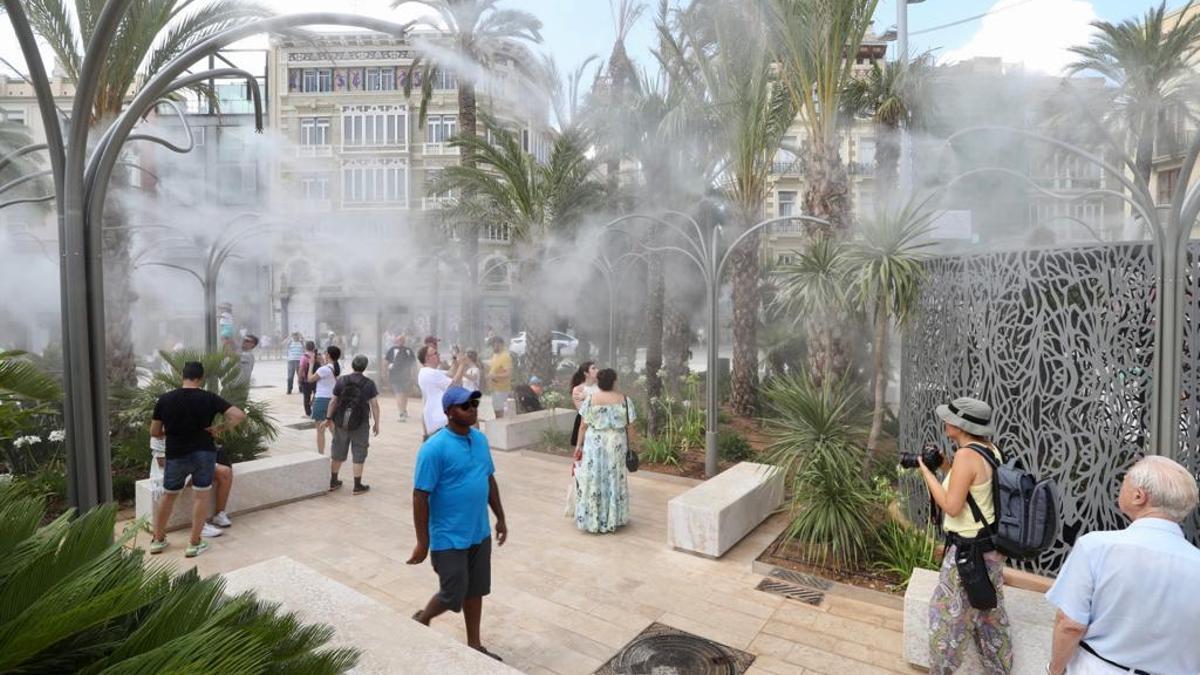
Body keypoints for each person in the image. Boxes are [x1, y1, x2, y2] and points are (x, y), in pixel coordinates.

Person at [1044, 456, 1200, 675]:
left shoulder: (1096, 547)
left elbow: (1070, 624)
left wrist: (1055, 670)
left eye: (1125, 480)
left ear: (1139, 496)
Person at [408, 385, 508, 662]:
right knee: (453, 592)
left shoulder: (479, 440)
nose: (473, 409)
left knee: (475, 591)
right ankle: (423, 618)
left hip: (479, 532)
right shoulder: (433, 449)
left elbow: (488, 479)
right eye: (466, 405)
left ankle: (474, 645)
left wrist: (500, 517)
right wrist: (422, 542)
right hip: (448, 536)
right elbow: (420, 496)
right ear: (449, 412)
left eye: (475, 403)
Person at [915, 397, 1012, 675]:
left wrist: (926, 471)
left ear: (960, 425)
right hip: (990, 550)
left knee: (944, 617)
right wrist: (945, 465)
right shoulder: (989, 449)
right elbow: (972, 489)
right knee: (989, 614)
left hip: (968, 555)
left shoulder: (966, 456)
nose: (945, 422)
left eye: (950, 419)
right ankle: (999, 669)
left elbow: (952, 505)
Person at [148, 361, 246, 558]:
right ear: (200, 378)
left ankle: (158, 540)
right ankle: (194, 543)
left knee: (168, 495)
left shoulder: (165, 399)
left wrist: (170, 432)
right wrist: (219, 428)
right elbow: (238, 415)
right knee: (201, 496)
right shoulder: (209, 398)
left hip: (176, 453)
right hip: (204, 452)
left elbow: (154, 432)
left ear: (181, 377)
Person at [572, 368, 634, 534]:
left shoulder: (591, 399)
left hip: (595, 444)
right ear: (614, 381)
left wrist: (579, 446)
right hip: (616, 443)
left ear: (598, 382)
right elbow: (630, 426)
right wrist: (633, 447)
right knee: (614, 478)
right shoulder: (625, 400)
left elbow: (583, 425)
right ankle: (614, 518)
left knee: (595, 478)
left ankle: (594, 518)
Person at [322, 355, 381, 494]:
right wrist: (377, 423)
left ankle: (333, 481)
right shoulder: (369, 383)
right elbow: (375, 405)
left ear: (352, 365)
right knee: (359, 451)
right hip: (360, 423)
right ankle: (357, 485)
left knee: (338, 450)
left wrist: (328, 418)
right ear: (365, 367)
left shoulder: (342, 380)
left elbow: (333, 401)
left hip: (341, 421)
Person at [417, 344, 466, 438]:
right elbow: (454, 385)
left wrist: (455, 359)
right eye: (435, 353)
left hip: (437, 419)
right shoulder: (430, 372)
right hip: (440, 419)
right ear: (427, 358)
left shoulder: (427, 371)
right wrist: (462, 364)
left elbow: (450, 373)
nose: (439, 355)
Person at [307, 345, 342, 454]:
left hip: (321, 400)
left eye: (325, 353)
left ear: (328, 354)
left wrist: (311, 364)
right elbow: (327, 374)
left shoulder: (323, 369)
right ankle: (340, 450)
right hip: (332, 400)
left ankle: (320, 454)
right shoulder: (335, 368)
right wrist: (322, 363)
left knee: (320, 430)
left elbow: (310, 379)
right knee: (332, 427)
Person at [386, 335, 415, 422]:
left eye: (401, 340)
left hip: (405, 376)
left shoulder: (408, 350)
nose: (400, 341)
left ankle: (403, 410)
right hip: (395, 375)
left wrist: (413, 374)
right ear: (396, 341)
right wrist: (385, 372)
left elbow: (413, 364)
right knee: (399, 393)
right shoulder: (392, 350)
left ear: (404, 341)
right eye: (398, 340)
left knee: (404, 394)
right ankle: (401, 412)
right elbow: (386, 361)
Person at [569, 361, 598, 449]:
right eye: (593, 368)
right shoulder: (578, 389)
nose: (597, 370)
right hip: (585, 424)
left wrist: (588, 397)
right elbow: (583, 411)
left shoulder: (601, 386)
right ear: (586, 373)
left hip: (601, 425)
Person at [486, 336, 512, 419]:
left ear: (500, 344)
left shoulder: (505, 357)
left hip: (502, 390)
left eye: (494, 345)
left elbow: (508, 373)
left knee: (501, 412)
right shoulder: (494, 356)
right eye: (492, 345)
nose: (493, 347)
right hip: (494, 389)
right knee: (496, 411)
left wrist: (495, 376)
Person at [299, 340, 317, 417]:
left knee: (306, 397)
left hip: (306, 381)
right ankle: (315, 408)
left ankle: (308, 413)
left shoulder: (304, 357)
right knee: (317, 394)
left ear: (306, 347)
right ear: (314, 347)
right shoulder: (317, 356)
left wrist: (299, 379)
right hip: (316, 379)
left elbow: (301, 369)